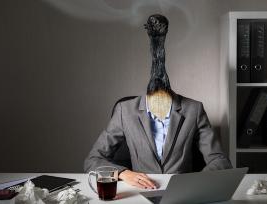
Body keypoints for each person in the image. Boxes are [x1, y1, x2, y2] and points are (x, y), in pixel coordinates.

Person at [84, 14, 232, 189]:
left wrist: (195, 184)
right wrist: (123, 173)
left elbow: (220, 160)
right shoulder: (125, 111)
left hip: (182, 193)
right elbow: (92, 160)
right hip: (139, 193)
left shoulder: (194, 109)